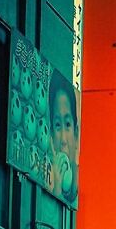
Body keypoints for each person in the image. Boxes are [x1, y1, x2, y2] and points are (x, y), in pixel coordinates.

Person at [48, 69, 79, 206]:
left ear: (76, 134)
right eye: (57, 125)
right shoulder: (48, 184)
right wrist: (57, 191)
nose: (63, 140)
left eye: (67, 124)